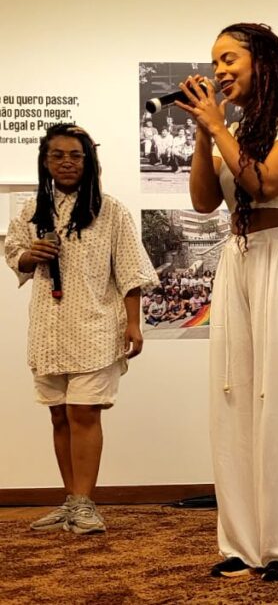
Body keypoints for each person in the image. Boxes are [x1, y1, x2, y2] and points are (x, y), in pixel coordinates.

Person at [179, 22, 278, 582]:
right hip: (238, 261)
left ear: (262, 61)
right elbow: (203, 202)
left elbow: (266, 185)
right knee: (234, 398)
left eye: (229, 58)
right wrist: (205, 135)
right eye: (215, 61)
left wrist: (218, 127)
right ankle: (241, 543)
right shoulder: (233, 129)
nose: (218, 70)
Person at [4, 123, 158, 535]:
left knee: (84, 412)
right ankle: (71, 500)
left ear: (89, 161)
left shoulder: (111, 211)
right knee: (58, 415)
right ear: (45, 161)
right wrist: (30, 255)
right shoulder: (30, 210)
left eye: (76, 155)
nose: (67, 162)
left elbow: (130, 271)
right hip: (48, 328)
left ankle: (86, 503)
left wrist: (133, 323)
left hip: (95, 326)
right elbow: (14, 254)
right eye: (57, 155)